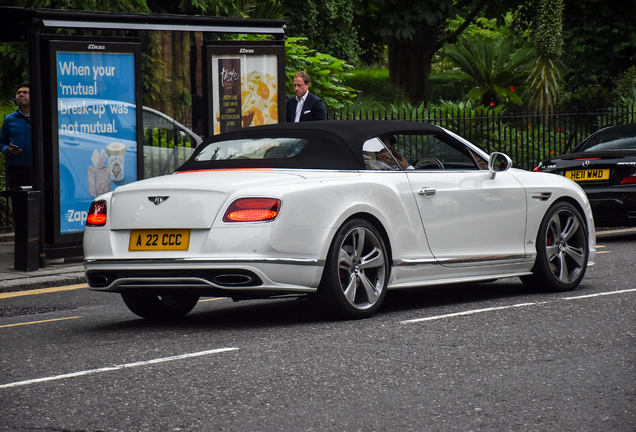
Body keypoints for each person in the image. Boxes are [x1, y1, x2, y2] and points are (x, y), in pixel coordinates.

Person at [0, 82, 32, 188]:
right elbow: (2, 142)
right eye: (19, 93)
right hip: (15, 169)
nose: (21, 94)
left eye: (25, 92)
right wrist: (7, 150)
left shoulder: (41, 118)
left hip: (37, 169)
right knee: (18, 202)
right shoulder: (9, 119)